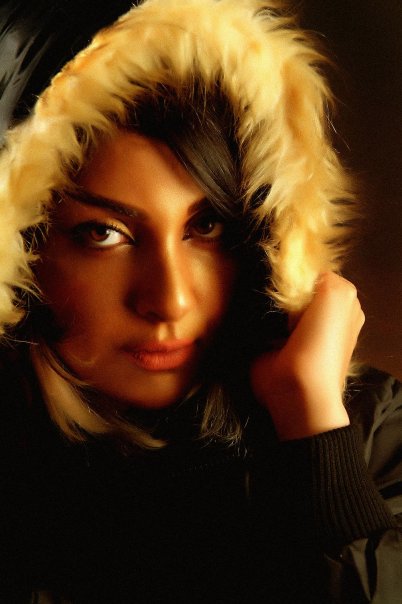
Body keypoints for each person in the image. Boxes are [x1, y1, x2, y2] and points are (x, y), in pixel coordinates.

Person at [0, 0, 400, 602]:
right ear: (22, 247)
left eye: (206, 226)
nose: (170, 299)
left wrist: (317, 439)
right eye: (103, 233)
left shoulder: (370, 431)